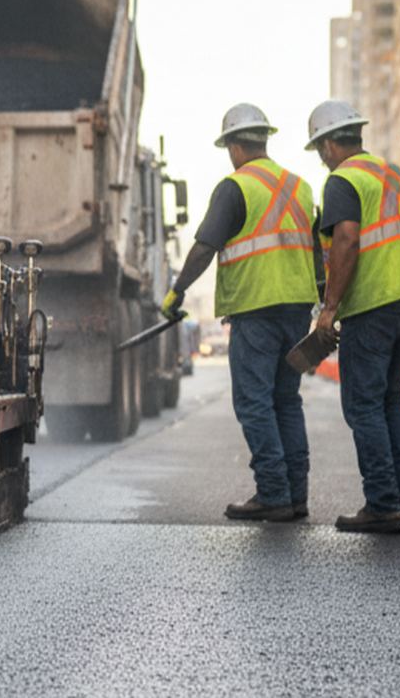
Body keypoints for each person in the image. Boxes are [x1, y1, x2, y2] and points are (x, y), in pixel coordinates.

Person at [306, 100, 400, 534]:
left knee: (363, 404)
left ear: (329, 144)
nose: (322, 157)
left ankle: (382, 502)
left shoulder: (343, 180)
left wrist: (329, 309)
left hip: (372, 307)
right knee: (391, 397)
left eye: (321, 148)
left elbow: (347, 240)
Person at [162, 104, 318, 523]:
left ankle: (273, 494)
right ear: (263, 139)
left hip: (256, 309)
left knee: (254, 403)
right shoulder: (300, 186)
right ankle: (295, 495)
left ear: (233, 147)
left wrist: (177, 291)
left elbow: (204, 248)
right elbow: (317, 252)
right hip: (297, 309)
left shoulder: (236, 187)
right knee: (286, 400)